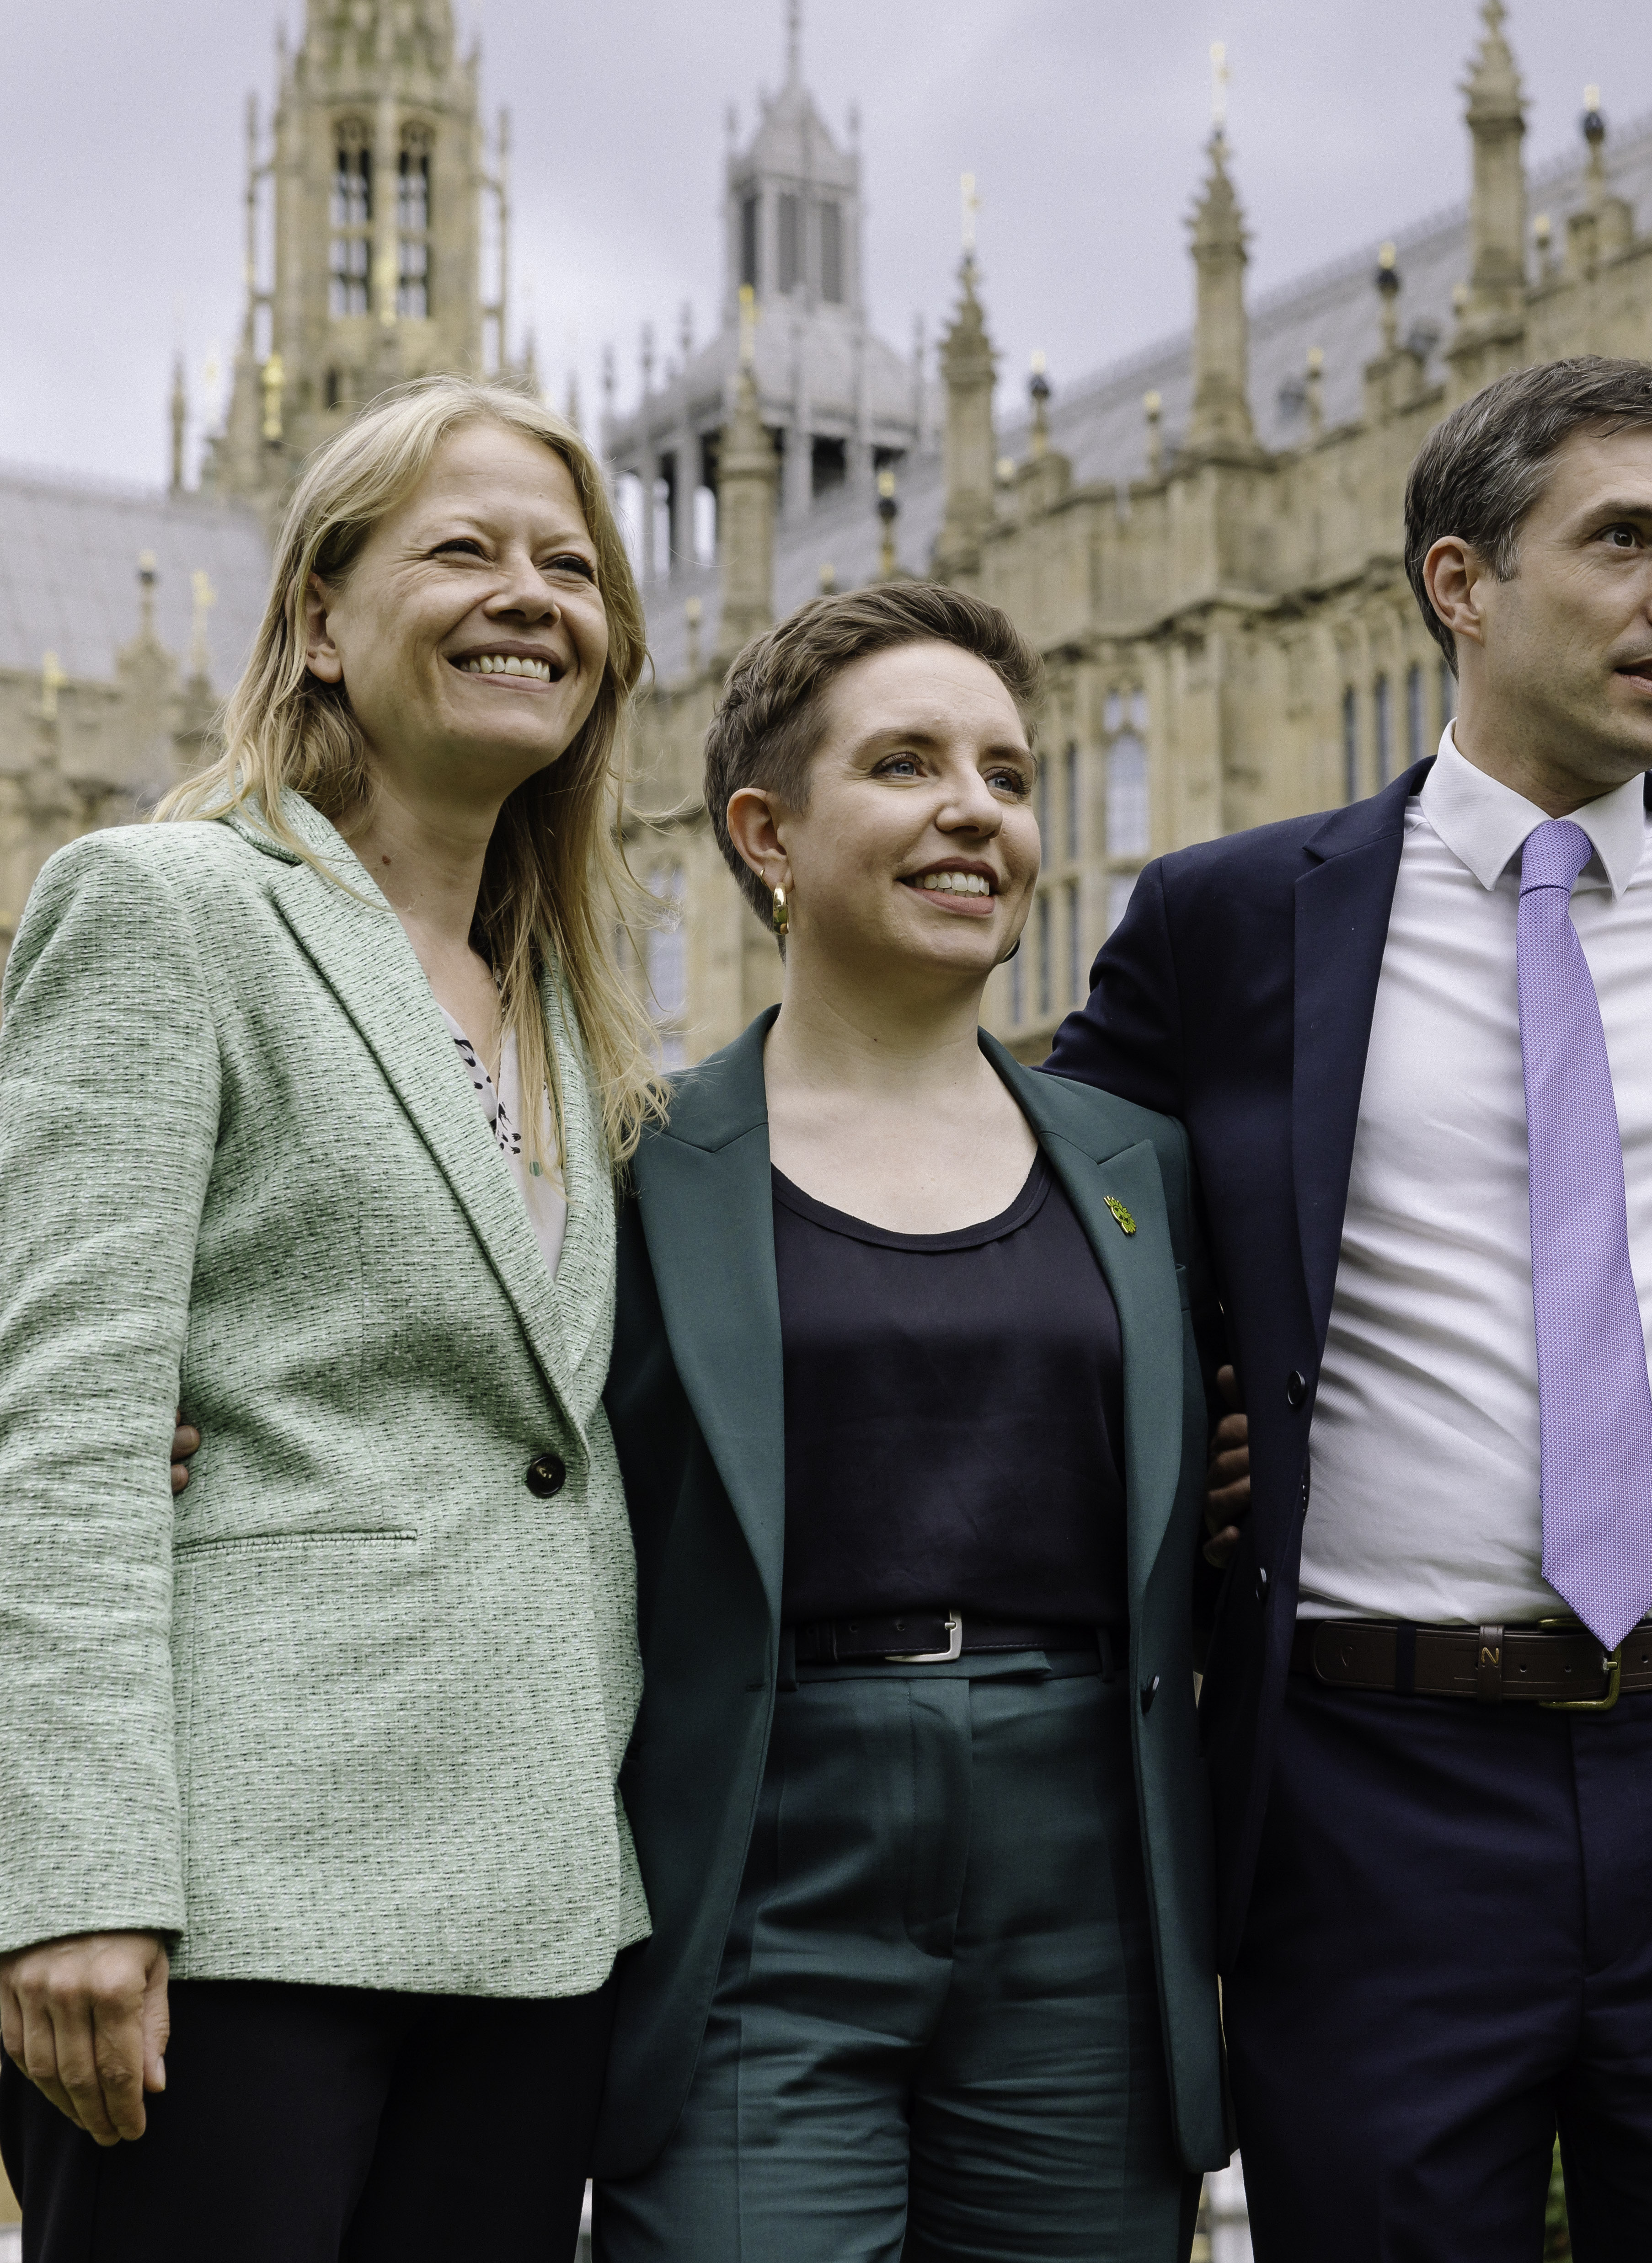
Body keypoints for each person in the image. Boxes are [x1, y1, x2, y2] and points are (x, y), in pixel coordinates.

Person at [1048, 356, 1652, 2258]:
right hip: (1375, 1792)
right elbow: (1025, 1195)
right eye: (1621, 541)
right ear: (1459, 583)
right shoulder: (1237, 921)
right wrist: (1178, 1417)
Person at [0, 373, 667, 2263]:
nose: (532, 595)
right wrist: (76, 1876)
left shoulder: (584, 1028)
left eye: (571, 565)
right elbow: (63, 1424)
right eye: (466, 551)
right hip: (235, 1910)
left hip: (525, 1924)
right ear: (321, 625)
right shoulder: (166, 908)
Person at [588, 583, 1229, 2261]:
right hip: (757, 1858)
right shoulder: (631, 1168)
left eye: (1010, 776)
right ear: (766, 830)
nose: (976, 808)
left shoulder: (1138, 1166)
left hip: (1083, 1858)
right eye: (907, 761)